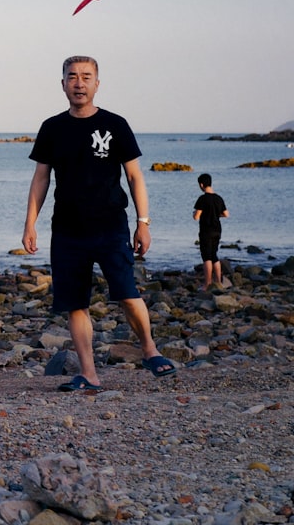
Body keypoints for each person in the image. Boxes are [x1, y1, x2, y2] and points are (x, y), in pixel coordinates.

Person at [22, 56, 175, 391]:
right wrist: (30, 223)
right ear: (62, 83)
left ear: (97, 83)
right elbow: (41, 179)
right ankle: (88, 374)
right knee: (74, 302)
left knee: (126, 292)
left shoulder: (115, 124)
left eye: (86, 77)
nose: (79, 83)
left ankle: (150, 350)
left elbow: (134, 177)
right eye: (72, 76)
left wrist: (143, 222)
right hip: (66, 230)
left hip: (110, 225)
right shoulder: (52, 128)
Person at [193, 173, 229, 290]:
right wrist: (215, 215)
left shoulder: (202, 199)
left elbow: (196, 216)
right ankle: (218, 282)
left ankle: (207, 284)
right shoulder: (219, 198)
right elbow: (226, 214)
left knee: (206, 257)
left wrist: (195, 213)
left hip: (206, 230)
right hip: (217, 230)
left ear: (201, 184)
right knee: (214, 255)